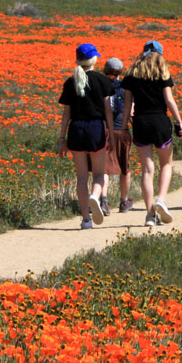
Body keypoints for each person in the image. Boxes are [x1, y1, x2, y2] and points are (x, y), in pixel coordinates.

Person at [121, 41, 182, 227]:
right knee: (166, 164)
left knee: (147, 169)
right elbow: (169, 100)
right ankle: (161, 199)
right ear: (160, 54)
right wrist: (179, 121)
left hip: (140, 122)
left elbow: (127, 105)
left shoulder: (132, 74)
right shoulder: (163, 73)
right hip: (160, 121)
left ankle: (149, 215)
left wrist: (124, 127)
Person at [57, 43, 114, 229]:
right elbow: (107, 111)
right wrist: (111, 135)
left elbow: (66, 114)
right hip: (96, 128)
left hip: (76, 129)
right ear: (94, 59)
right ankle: (95, 196)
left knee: (81, 177)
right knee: (98, 174)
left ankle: (86, 220)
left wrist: (61, 140)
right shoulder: (102, 81)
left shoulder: (70, 82)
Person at [102, 57, 133, 213]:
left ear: (104, 70)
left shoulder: (100, 86)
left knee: (104, 169)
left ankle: (104, 201)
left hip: (105, 131)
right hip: (122, 130)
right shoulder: (125, 88)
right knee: (124, 168)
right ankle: (123, 201)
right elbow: (131, 110)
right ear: (121, 72)